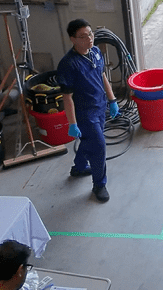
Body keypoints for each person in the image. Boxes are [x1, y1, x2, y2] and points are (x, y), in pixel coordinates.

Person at [57, 19, 119, 202]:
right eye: (83, 37)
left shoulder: (96, 52)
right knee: (99, 147)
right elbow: (67, 96)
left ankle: (79, 167)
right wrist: (72, 123)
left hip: (100, 107)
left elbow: (102, 75)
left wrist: (112, 99)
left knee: (89, 141)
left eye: (90, 34)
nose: (89, 39)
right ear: (73, 39)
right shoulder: (68, 64)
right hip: (85, 113)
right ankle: (99, 185)